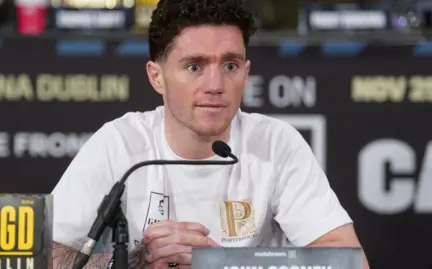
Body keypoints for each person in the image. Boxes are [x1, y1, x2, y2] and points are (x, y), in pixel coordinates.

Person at [51, 0, 370, 269]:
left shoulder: (275, 143)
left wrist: (222, 262)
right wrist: (134, 262)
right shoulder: (119, 143)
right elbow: (42, 257)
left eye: (230, 66)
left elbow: (349, 261)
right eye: (194, 67)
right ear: (156, 77)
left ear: (246, 73)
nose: (215, 85)